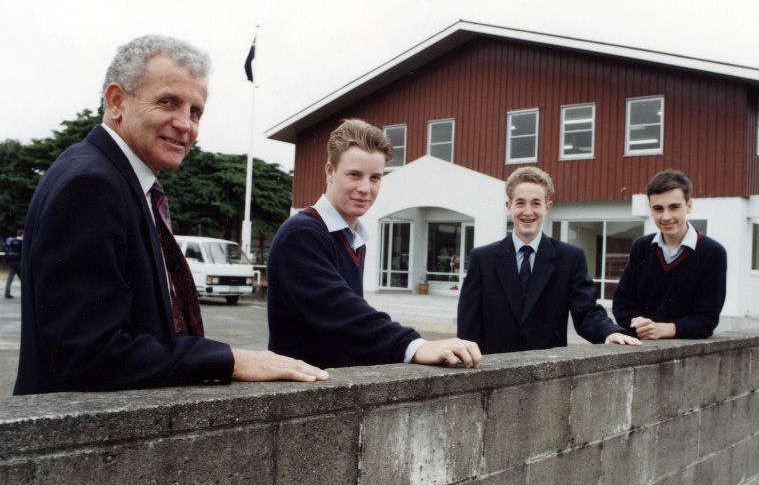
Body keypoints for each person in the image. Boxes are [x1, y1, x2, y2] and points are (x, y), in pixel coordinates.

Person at [14, 35, 328, 395]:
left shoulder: (116, 179)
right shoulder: (92, 184)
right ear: (116, 102)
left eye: (195, 112)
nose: (185, 124)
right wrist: (232, 361)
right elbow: (87, 354)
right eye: (168, 102)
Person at [267, 118, 481, 369]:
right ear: (330, 171)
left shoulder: (352, 238)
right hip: (299, 395)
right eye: (354, 175)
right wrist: (415, 346)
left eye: (375, 178)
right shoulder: (301, 234)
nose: (365, 188)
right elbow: (342, 313)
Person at [457, 167, 640, 354]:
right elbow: (468, 322)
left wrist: (609, 332)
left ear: (547, 207)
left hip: (548, 372)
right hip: (493, 370)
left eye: (536, 203)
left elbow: (586, 311)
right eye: (520, 203)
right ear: (509, 206)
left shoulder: (570, 257)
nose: (528, 212)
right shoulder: (482, 258)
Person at [612, 169, 727, 339]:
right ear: (650, 209)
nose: (666, 216)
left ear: (689, 206)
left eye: (674, 207)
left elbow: (707, 320)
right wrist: (640, 324)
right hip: (640, 347)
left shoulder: (713, 253)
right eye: (658, 208)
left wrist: (663, 329)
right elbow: (622, 304)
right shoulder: (641, 247)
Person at [3, 229, 23, 298]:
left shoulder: (11, 242)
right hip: (18, 262)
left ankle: (7, 293)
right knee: (23, 278)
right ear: (22, 234)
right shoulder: (21, 242)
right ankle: (26, 293)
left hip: (10, 262)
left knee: (10, 278)